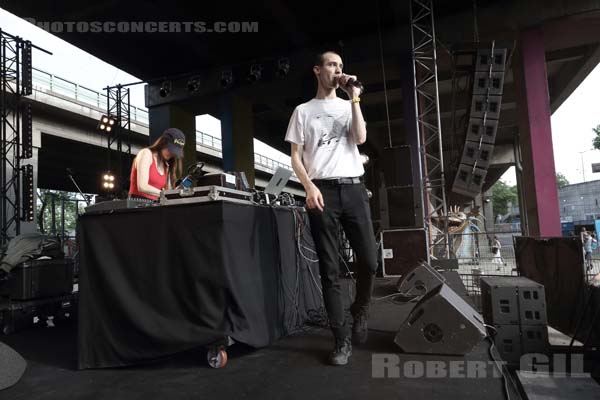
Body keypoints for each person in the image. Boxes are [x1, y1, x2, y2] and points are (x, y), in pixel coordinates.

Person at [285, 51, 377, 366]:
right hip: (322, 190)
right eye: (331, 64)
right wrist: (309, 186)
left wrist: (355, 98)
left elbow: (361, 138)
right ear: (317, 70)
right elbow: (296, 157)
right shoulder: (302, 111)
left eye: (340, 65)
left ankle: (361, 308)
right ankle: (341, 340)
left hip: (353, 189)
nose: (337, 69)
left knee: (369, 259)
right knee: (329, 269)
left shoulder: (348, 104)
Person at [129, 128, 184, 201]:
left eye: (174, 152)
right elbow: (142, 186)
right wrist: (167, 194)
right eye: (170, 149)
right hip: (138, 204)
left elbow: (168, 193)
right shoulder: (146, 154)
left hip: (156, 205)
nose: (172, 154)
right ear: (163, 143)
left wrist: (176, 192)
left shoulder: (166, 165)